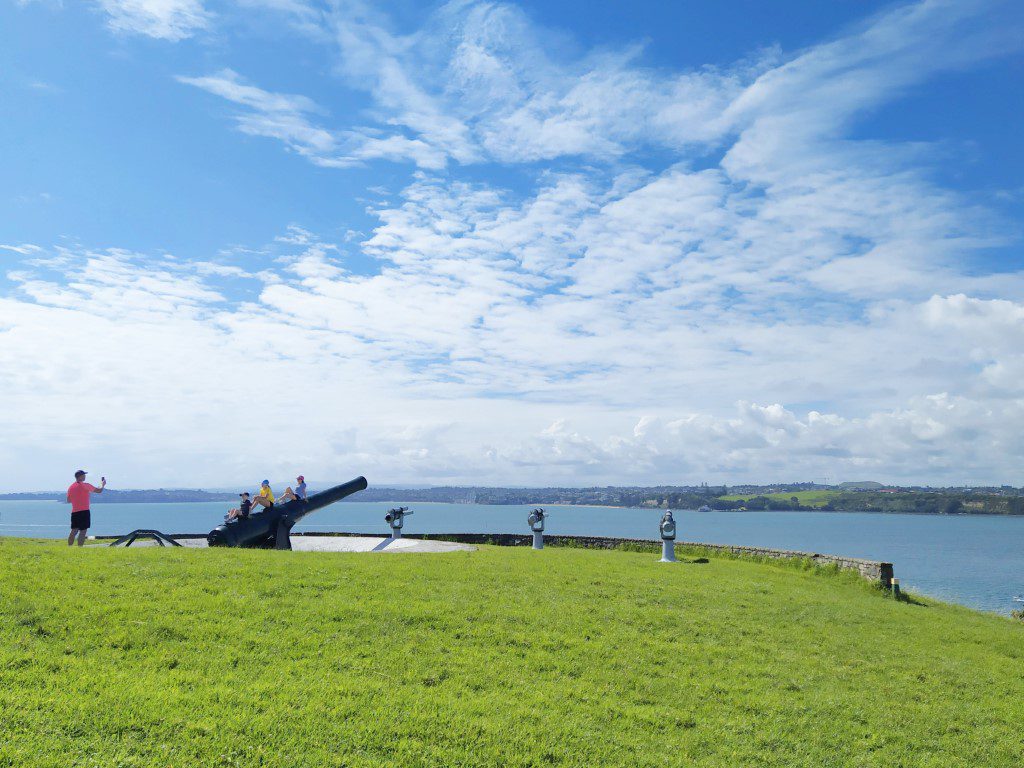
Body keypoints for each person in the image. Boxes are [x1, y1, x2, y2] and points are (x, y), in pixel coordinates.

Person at [66, 470, 105, 546]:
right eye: (84, 475)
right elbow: (99, 490)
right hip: (84, 511)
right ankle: (80, 549)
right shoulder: (85, 485)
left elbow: (68, 500)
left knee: (73, 530)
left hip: (74, 512)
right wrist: (102, 484)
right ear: (80, 476)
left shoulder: (71, 487)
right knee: (83, 531)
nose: (85, 476)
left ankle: (69, 547)